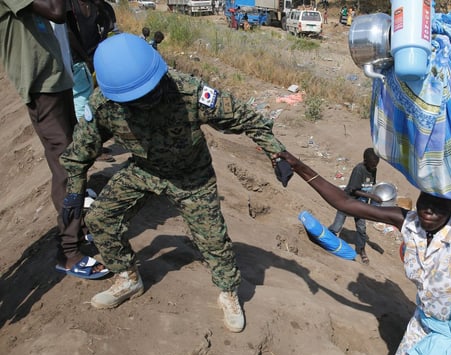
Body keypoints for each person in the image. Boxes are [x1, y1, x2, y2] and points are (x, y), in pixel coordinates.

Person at [59, 33, 289, 332]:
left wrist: (276, 153)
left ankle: (229, 293)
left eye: (150, 91)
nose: (147, 100)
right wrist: (74, 193)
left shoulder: (190, 92)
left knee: (213, 240)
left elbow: (247, 117)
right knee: (100, 218)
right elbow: (79, 153)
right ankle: (128, 278)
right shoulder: (104, 105)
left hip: (192, 177)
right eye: (136, 98)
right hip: (145, 170)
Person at [276, 115, 451, 355]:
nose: (429, 210)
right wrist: (297, 164)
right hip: (426, 320)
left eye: (440, 205)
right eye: (424, 201)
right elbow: (345, 204)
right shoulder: (407, 221)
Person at [0, 0, 109, 278]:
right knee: (65, 167)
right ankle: (69, 253)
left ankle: (79, 230)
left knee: (74, 160)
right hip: (41, 86)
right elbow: (57, 13)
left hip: (55, 80)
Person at [66, 0, 116, 162]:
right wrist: (85, 57)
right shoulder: (70, 5)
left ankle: (93, 144)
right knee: (81, 103)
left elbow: (108, 27)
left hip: (93, 58)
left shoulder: (97, 6)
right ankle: (87, 148)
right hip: (78, 59)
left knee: (92, 101)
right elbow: (68, 32)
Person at [328, 148, 382, 264]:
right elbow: (353, 190)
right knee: (337, 226)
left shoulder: (373, 169)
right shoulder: (359, 170)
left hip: (361, 204)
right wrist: (372, 197)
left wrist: (374, 198)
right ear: (365, 161)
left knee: (362, 229)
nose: (373, 167)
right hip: (348, 202)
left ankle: (361, 250)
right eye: (372, 165)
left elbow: (371, 186)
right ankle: (327, 239)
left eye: (375, 165)